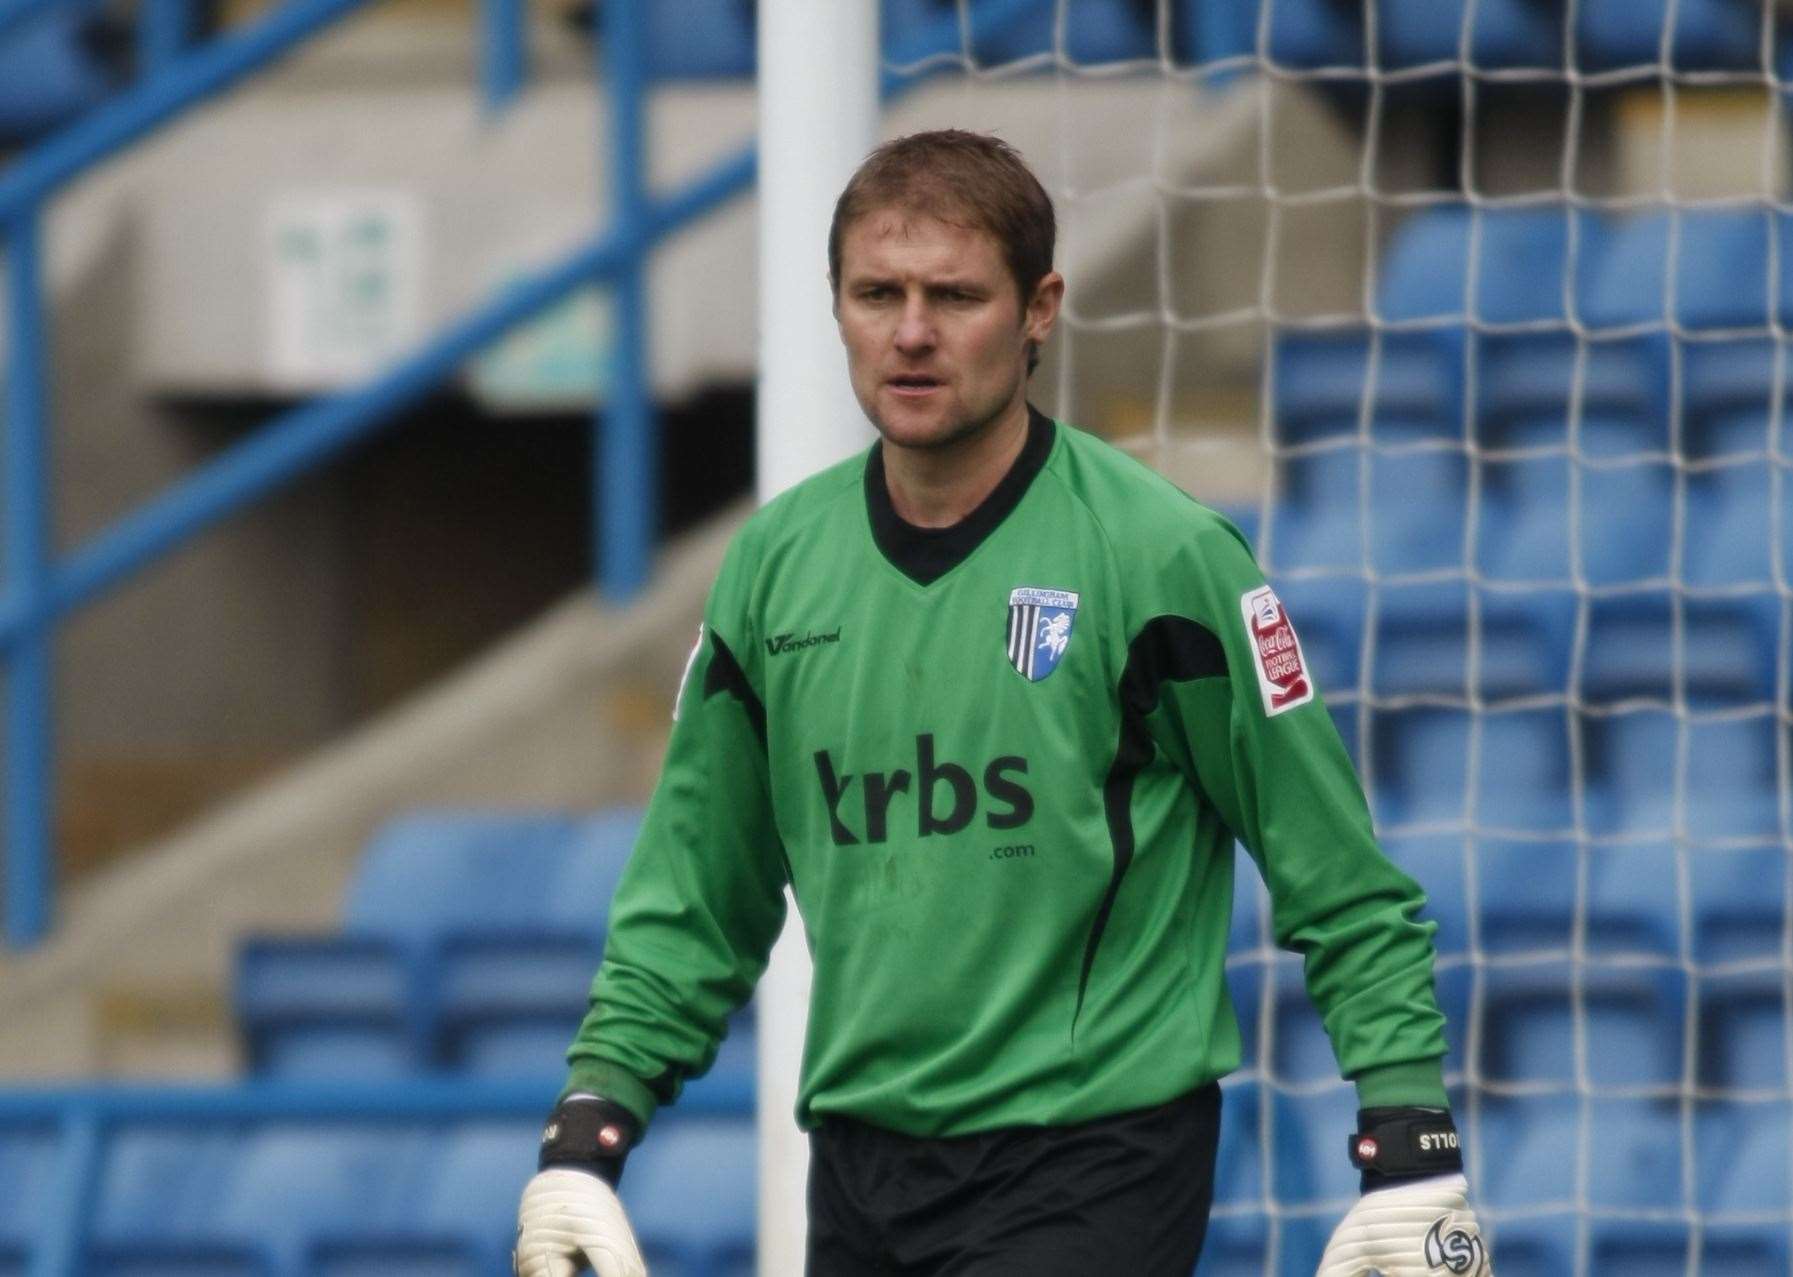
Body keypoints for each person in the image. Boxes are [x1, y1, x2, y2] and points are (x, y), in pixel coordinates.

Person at [514, 129, 1492, 1277]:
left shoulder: (1162, 557)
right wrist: (587, 1127)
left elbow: (1336, 873)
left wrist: (1408, 1137)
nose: (912, 331)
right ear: (834, 307)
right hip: (862, 1164)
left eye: (954, 295)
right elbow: (695, 892)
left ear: (1039, 309)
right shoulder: (774, 567)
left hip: (1094, 1156)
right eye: (877, 292)